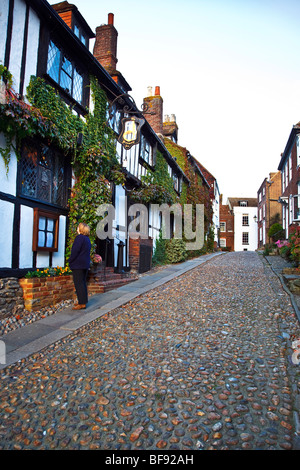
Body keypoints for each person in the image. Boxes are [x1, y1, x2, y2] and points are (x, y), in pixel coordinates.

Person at [68, 222, 91, 310]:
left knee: (78, 283)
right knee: (82, 283)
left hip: (78, 264)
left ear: (81, 229)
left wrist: (70, 260)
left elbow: (75, 251)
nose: (77, 228)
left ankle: (82, 303)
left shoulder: (79, 238)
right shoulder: (87, 239)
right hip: (85, 264)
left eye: (78, 227)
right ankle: (83, 301)